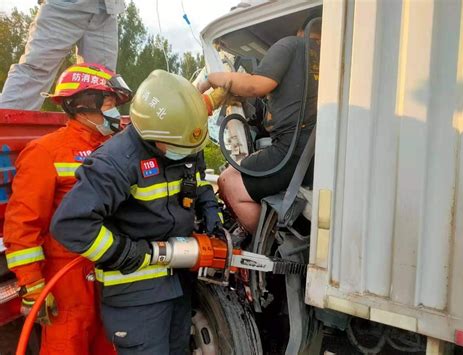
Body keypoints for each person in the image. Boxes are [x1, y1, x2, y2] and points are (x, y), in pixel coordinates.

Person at [50, 70, 225, 354]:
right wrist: (129, 253)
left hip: (177, 284)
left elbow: (197, 180)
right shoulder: (116, 162)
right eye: (179, 149)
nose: (185, 153)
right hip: (136, 296)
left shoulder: (180, 141)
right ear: (150, 133)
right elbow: (70, 224)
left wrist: (209, 209)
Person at [3, 62, 132, 354]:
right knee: (67, 345)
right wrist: (33, 285)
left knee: (110, 345)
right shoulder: (45, 152)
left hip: (109, 267)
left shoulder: (114, 146)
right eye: (110, 102)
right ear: (85, 103)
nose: (115, 111)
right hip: (66, 279)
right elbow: (22, 223)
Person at [198, 16, 321, 235]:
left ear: (300, 30)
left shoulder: (291, 44)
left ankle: (268, 249)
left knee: (229, 181)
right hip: (317, 156)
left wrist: (211, 79)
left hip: (291, 150)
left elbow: (256, 86)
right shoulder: (331, 56)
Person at [0, 0, 125, 110]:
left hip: (106, 9)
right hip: (63, 5)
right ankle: (6, 128)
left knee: (101, 82)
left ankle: (92, 134)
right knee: (36, 69)